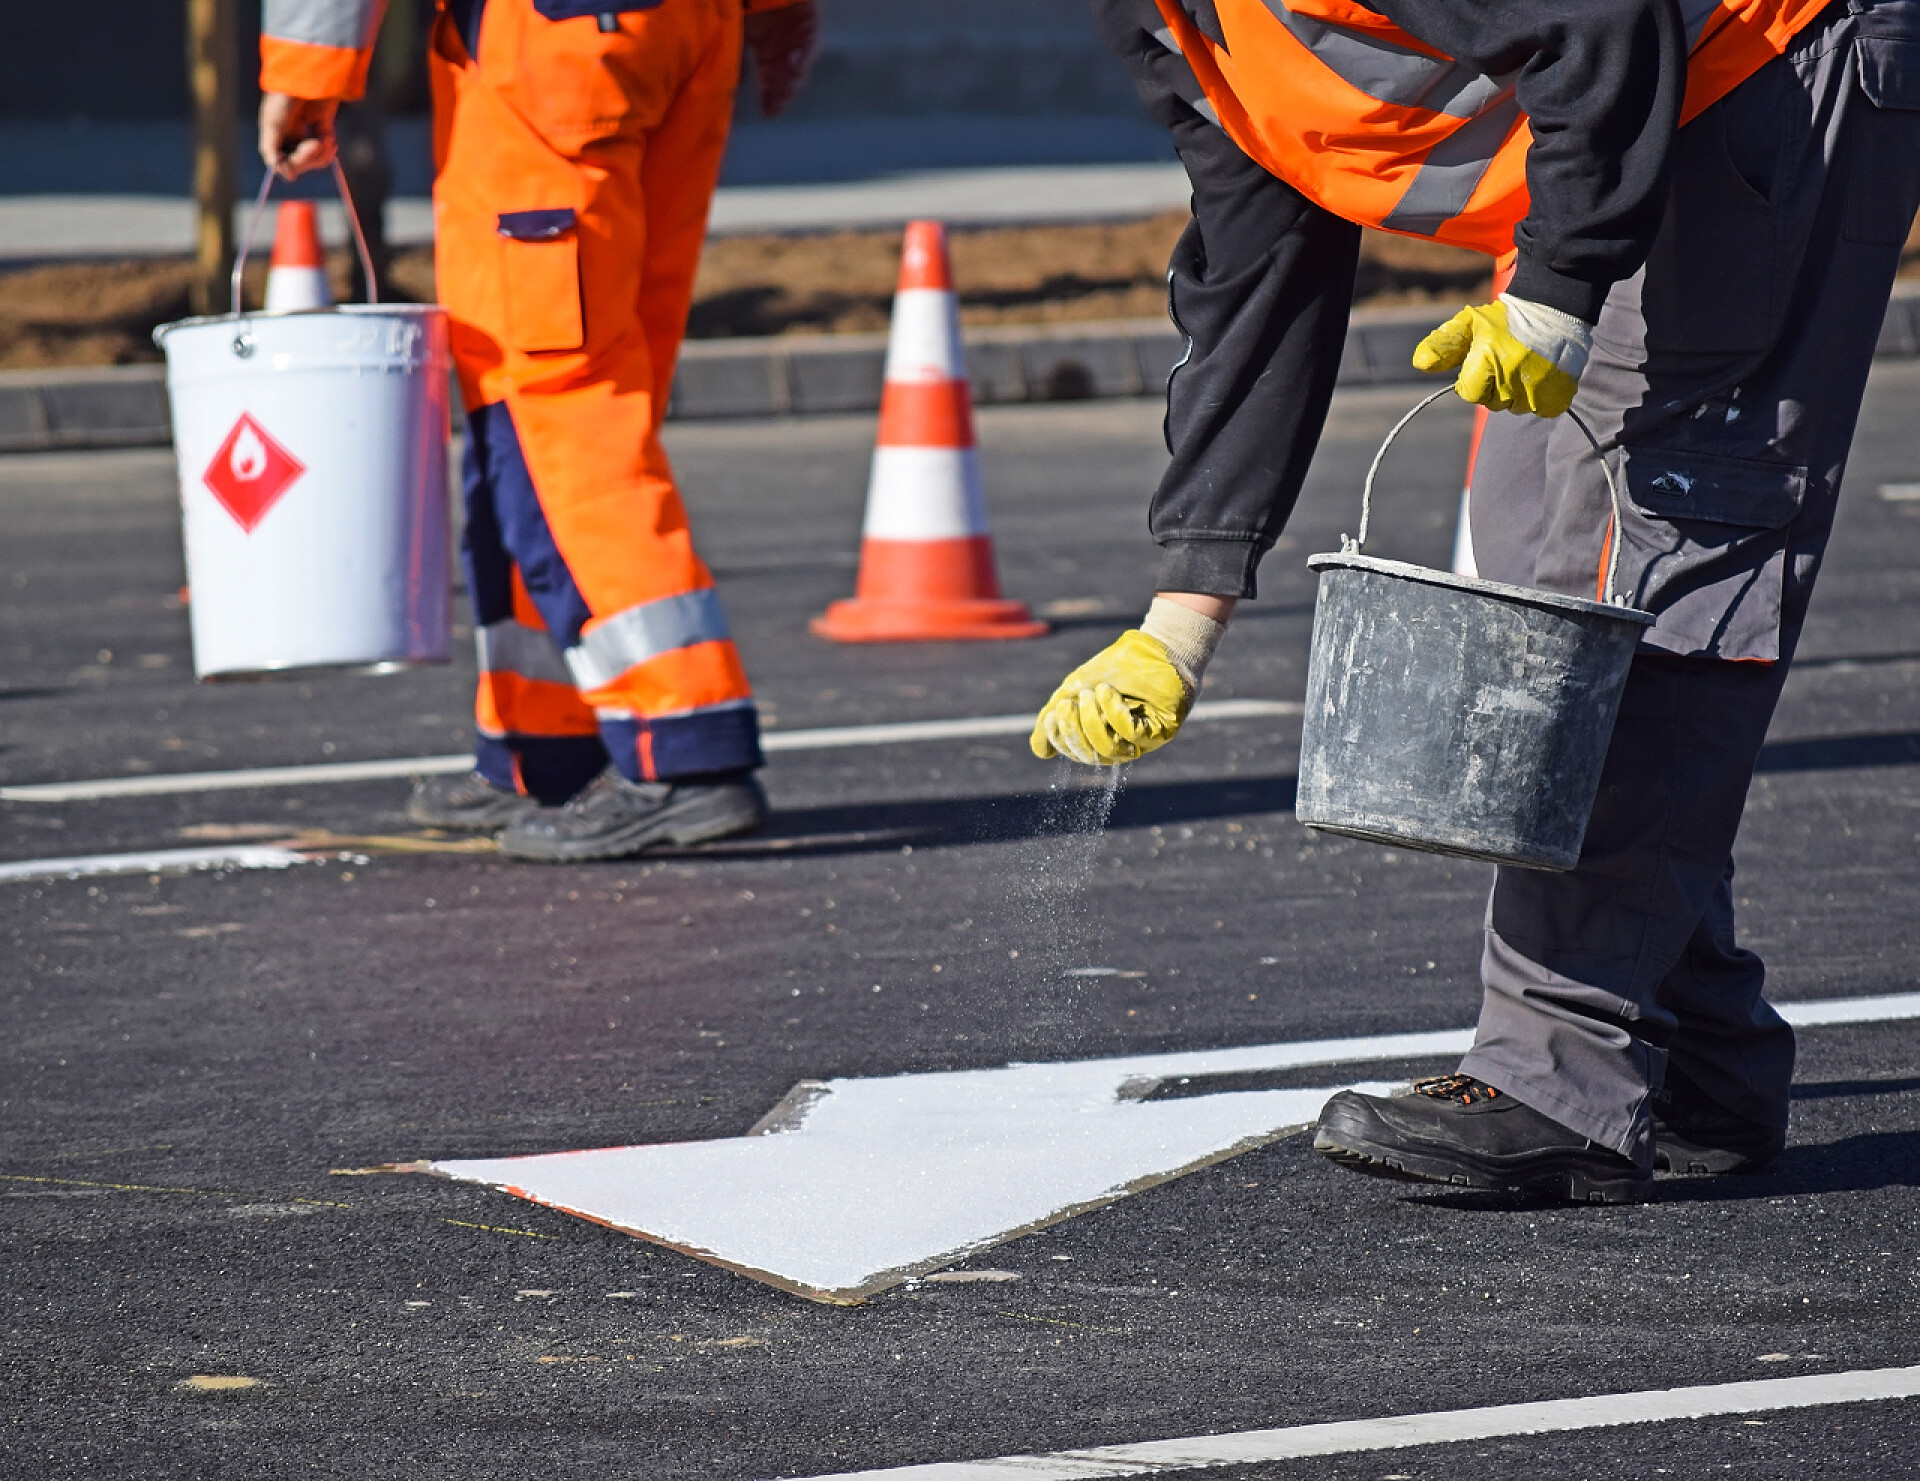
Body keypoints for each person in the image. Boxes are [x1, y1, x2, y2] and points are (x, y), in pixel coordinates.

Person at [1033, 0, 1920, 1202]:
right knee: (1532, 573)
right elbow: (1260, 268)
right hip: (1632, 105)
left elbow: (1598, 20)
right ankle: (1695, 1053)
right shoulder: (1166, 20)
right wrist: (1180, 618)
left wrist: (1557, 290)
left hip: (1762, 59)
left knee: (1640, 562)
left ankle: (1562, 1072)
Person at [259, 0, 819, 861]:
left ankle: (682, 742)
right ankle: (552, 739)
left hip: (550, 48)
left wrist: (305, 71)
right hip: (685, 29)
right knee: (602, 384)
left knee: (548, 410)